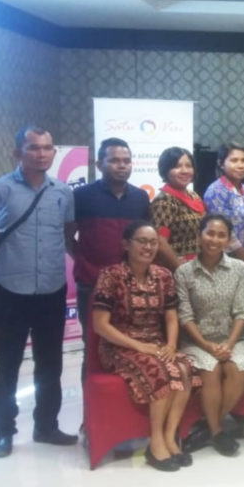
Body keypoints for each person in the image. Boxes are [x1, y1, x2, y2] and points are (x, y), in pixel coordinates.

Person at [0, 126, 78, 458]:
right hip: (9, 290)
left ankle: (46, 425)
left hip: (51, 289)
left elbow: (69, 236)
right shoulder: (0, 189)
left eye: (47, 148)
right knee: (8, 364)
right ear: (18, 152)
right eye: (34, 148)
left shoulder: (63, 192)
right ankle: (3, 431)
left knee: (50, 363)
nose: (42, 154)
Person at [91, 221, 199, 471]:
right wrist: (139, 347)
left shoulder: (163, 275)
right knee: (159, 372)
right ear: (126, 245)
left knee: (185, 367)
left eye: (153, 242)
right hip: (119, 346)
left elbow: (171, 316)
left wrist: (171, 344)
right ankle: (155, 442)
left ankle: (170, 436)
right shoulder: (111, 276)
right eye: (142, 241)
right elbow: (100, 325)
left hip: (156, 343)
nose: (148, 247)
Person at [175, 214, 244, 457]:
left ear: (229, 240)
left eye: (222, 235)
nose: (215, 239)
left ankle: (208, 428)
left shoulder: (240, 269)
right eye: (210, 233)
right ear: (199, 235)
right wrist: (207, 345)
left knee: (239, 369)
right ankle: (218, 432)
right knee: (211, 370)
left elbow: (243, 311)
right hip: (196, 340)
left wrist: (229, 344)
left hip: (232, 337)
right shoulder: (184, 272)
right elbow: (185, 316)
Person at [69, 138, 150, 378]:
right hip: (91, 284)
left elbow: (144, 240)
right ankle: (92, 402)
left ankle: (121, 401)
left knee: (130, 344)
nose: (122, 165)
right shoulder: (81, 196)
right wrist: (83, 260)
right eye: (114, 160)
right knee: (93, 348)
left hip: (130, 286)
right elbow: (67, 235)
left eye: (126, 161)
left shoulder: (140, 198)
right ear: (99, 164)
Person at [150, 147, 206, 271]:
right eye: (177, 166)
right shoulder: (164, 201)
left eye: (189, 166)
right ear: (165, 170)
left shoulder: (194, 196)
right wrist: (182, 272)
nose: (185, 171)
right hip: (176, 270)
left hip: (198, 266)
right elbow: (160, 242)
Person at [203, 142, 244, 266]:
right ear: (221, 163)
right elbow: (224, 233)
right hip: (226, 260)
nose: (240, 165)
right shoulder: (216, 191)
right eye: (234, 160)